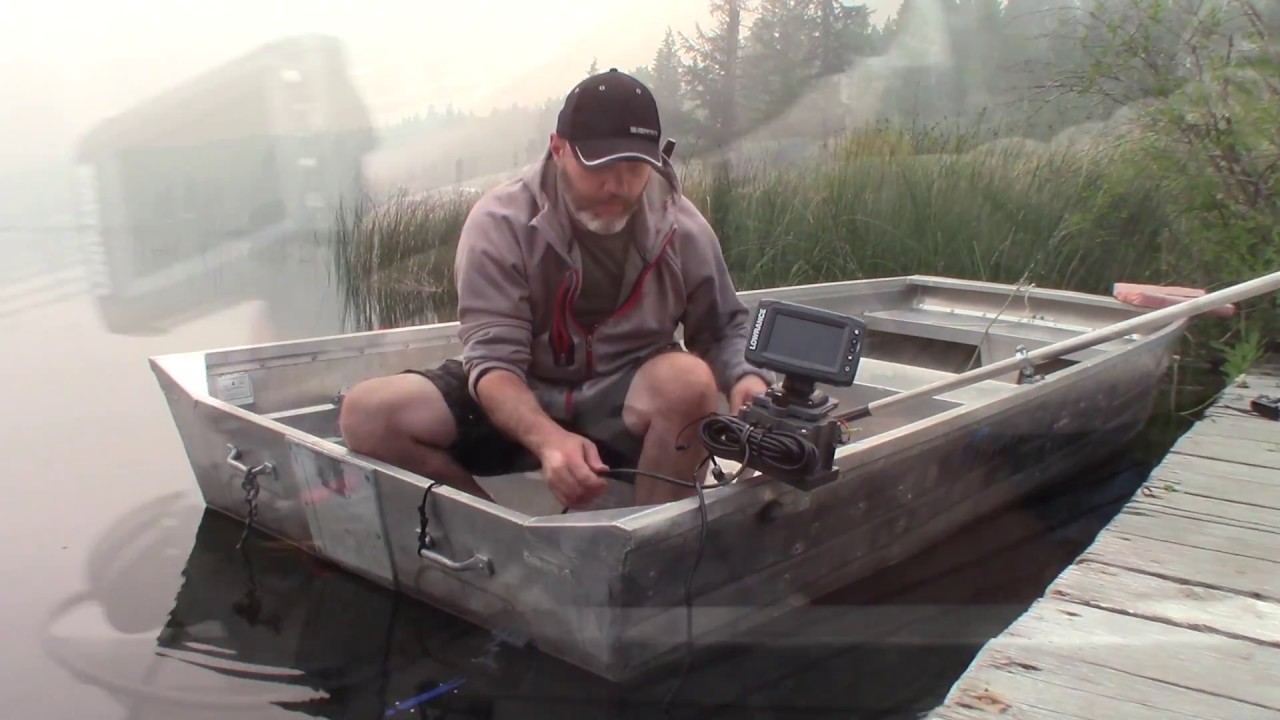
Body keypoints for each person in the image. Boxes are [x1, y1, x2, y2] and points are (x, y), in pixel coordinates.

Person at [338, 68, 772, 509]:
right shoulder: (500, 223)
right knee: (366, 414)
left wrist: (746, 378)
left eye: (634, 168)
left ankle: (654, 544)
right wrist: (549, 440)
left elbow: (721, 330)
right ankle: (499, 539)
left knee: (691, 381)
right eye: (599, 166)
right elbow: (493, 363)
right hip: (522, 390)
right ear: (558, 148)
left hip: (622, 400)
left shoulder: (682, 227)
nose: (616, 186)